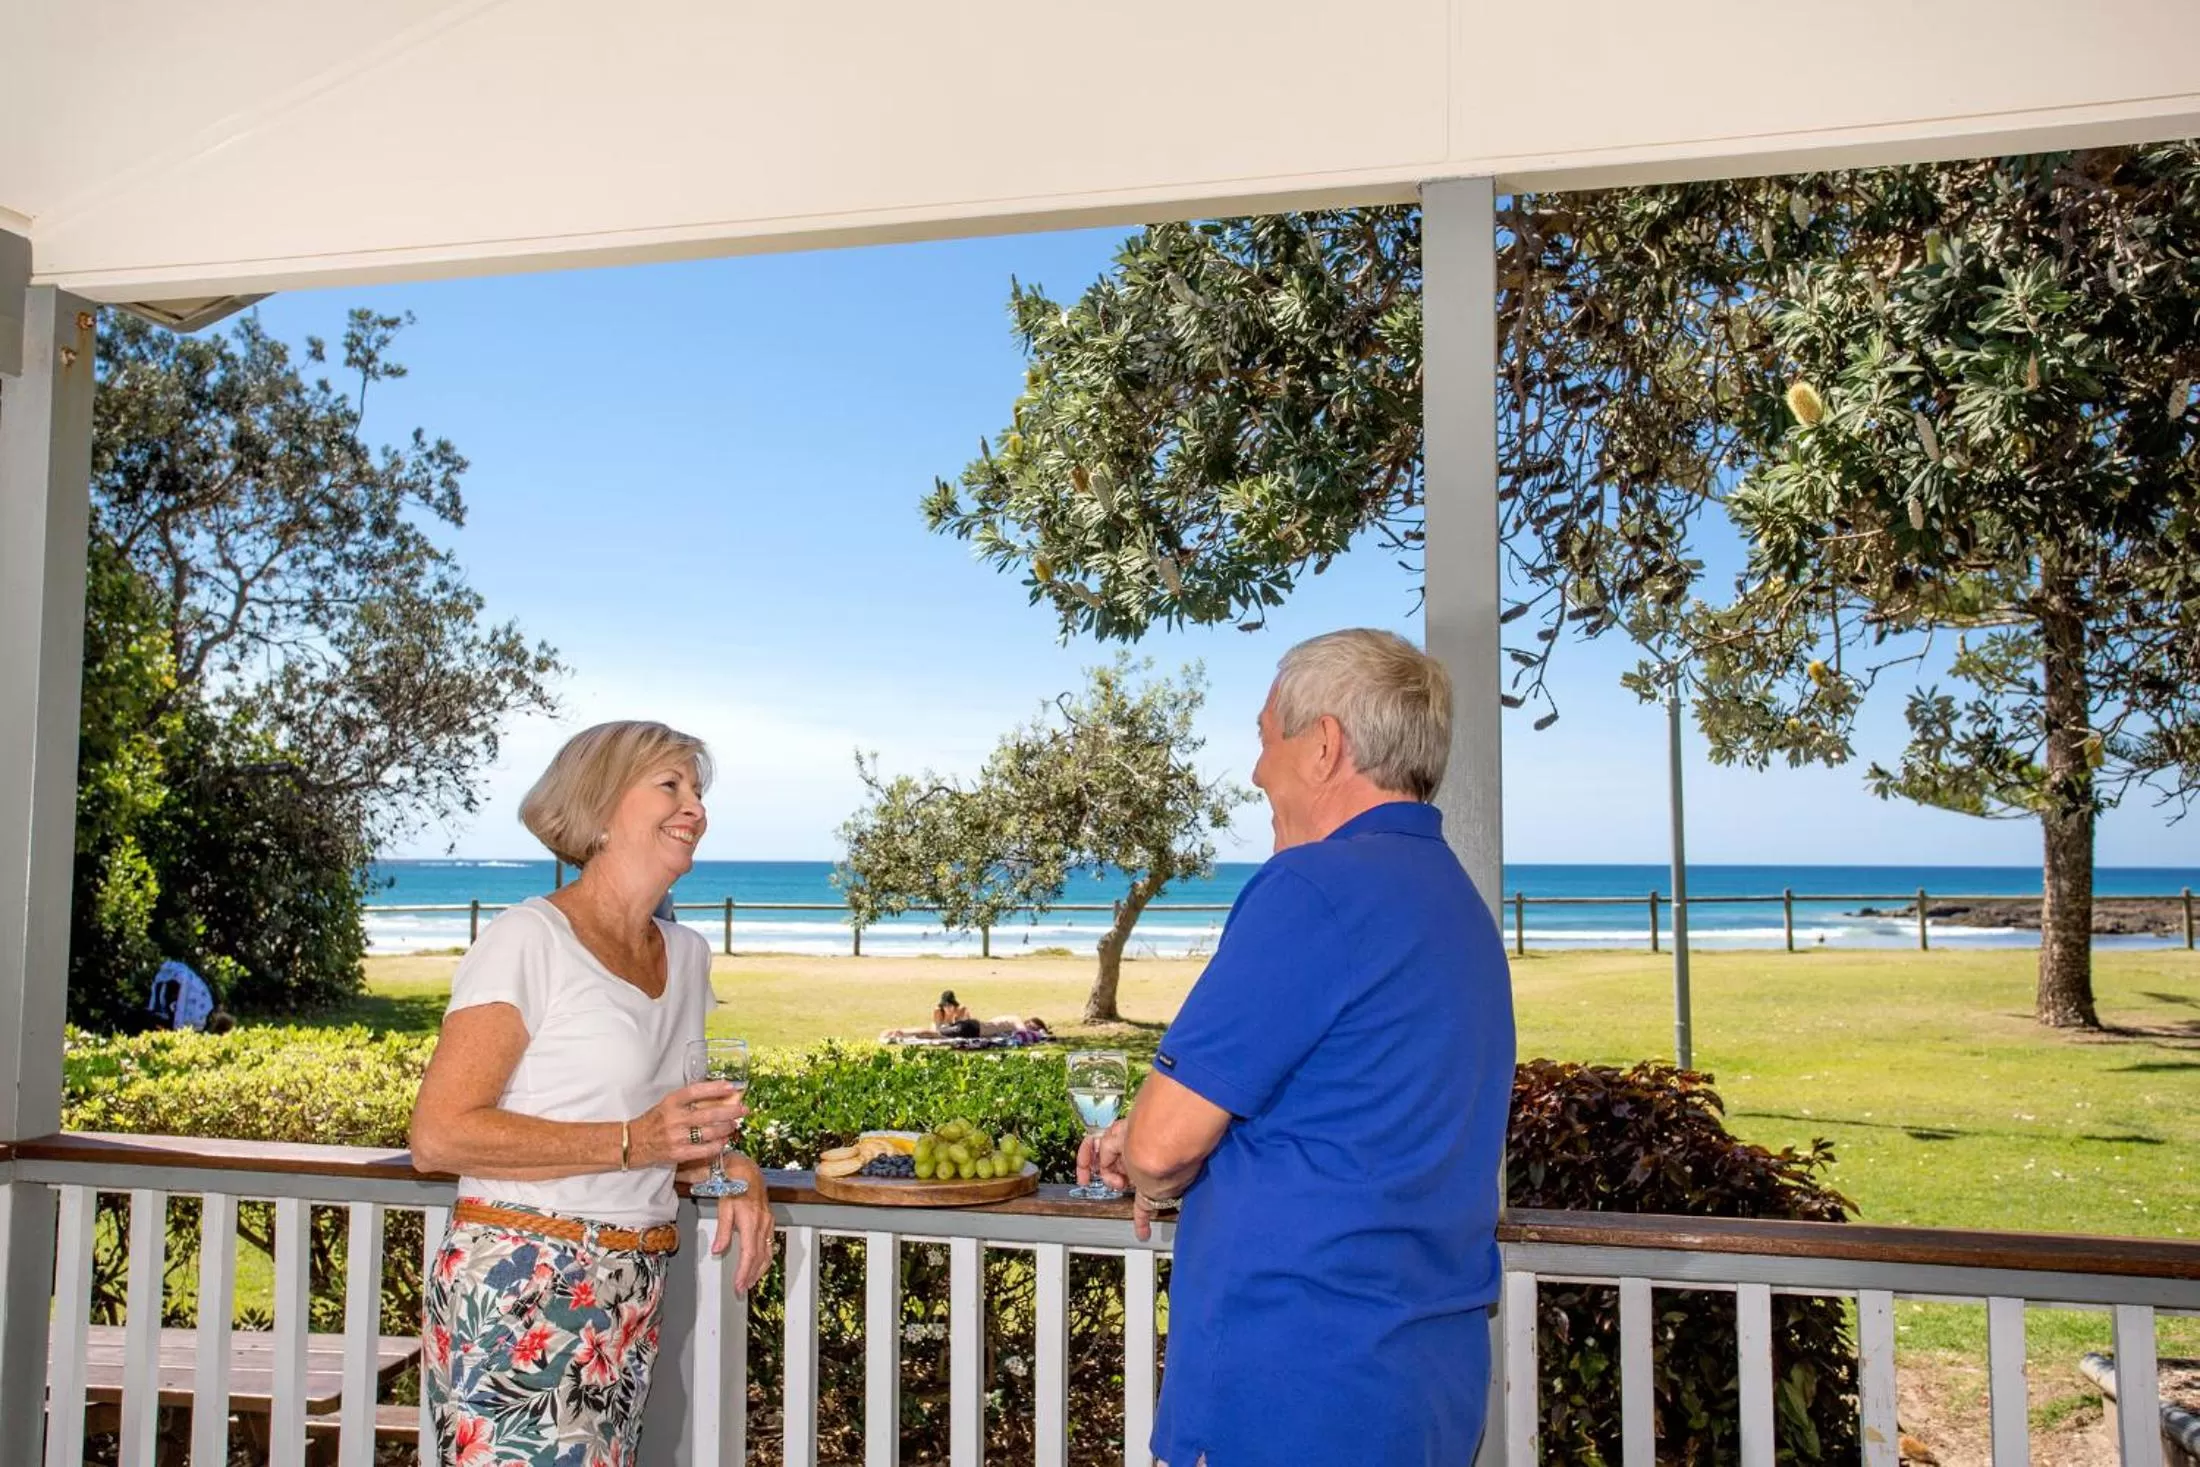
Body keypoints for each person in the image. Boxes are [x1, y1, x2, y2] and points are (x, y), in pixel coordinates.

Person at [1079, 629, 1515, 1467]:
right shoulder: (1460, 910)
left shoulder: (1311, 889)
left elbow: (1166, 1145)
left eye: (1264, 739)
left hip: (1291, 1390)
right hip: (1424, 1390)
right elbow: (1352, 1119)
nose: (1254, 772)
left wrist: (1140, 1157)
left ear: (1323, 745)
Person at [408, 721, 775, 1466]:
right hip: (519, 1288)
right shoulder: (527, 939)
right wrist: (632, 1139)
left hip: (632, 1293)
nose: (694, 808)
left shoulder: (688, 954)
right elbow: (438, 1134)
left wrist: (735, 1169)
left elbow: (667, 1142)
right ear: (601, 810)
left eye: (698, 791)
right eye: (669, 786)